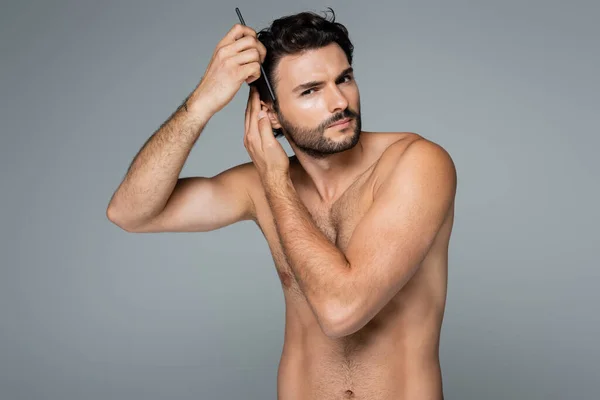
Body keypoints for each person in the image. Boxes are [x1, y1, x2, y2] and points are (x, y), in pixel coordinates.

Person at [107, 8, 457, 400]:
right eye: (311, 91)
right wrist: (203, 102)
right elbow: (130, 212)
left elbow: (343, 310)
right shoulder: (259, 184)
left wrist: (275, 181)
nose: (339, 102)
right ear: (269, 112)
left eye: (344, 79)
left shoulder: (417, 163)